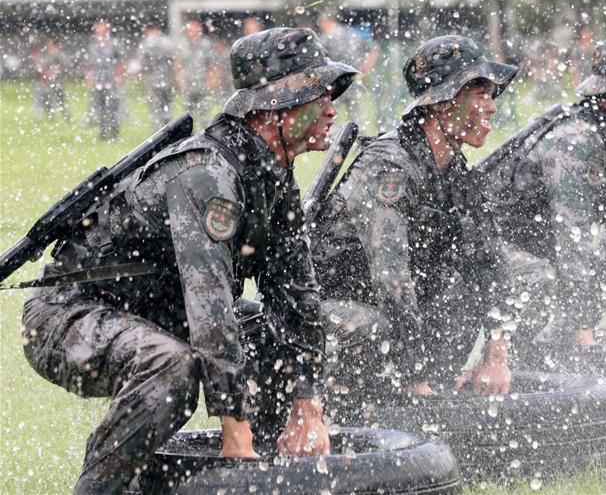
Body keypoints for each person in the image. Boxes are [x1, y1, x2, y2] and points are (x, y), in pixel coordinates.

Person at [21, 27, 358, 494]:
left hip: (156, 314)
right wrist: (233, 431)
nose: (330, 108)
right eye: (315, 96)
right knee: (171, 367)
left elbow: (298, 296)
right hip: (68, 312)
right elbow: (211, 310)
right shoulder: (207, 175)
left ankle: (270, 473)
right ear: (273, 109)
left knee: (266, 331)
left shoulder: (272, 174)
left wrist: (307, 405)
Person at [311, 35, 518, 421]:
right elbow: (392, 277)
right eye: (481, 95)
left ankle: (414, 394)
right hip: (334, 311)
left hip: (394, 311)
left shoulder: (456, 172)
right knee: (379, 328)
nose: (491, 108)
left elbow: (491, 265)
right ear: (443, 102)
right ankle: (355, 410)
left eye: (492, 96)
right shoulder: (388, 167)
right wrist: (415, 373)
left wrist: (496, 353)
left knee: (465, 295)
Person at [482, 29, 606, 354]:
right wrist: (585, 336)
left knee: (603, 264)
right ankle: (514, 361)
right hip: (487, 245)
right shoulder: (577, 140)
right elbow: (572, 236)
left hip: (535, 245)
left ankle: (553, 350)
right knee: (541, 278)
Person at [318, 12, 380, 125]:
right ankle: (357, 138)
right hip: (353, 80)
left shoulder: (327, 38)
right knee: (355, 117)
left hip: (335, 83)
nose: (322, 28)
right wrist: (365, 68)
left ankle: (333, 140)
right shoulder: (352, 33)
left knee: (331, 116)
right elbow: (374, 49)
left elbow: (317, 56)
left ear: (328, 22)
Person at [85, 20, 124, 139]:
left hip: (110, 78)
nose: (99, 30)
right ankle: (102, 131)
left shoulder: (113, 44)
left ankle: (114, 132)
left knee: (112, 107)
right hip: (98, 79)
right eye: (97, 28)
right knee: (100, 108)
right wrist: (90, 79)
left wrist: (119, 77)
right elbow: (89, 65)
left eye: (101, 27)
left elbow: (120, 62)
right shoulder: (92, 46)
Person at [176, 18, 217, 124]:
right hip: (188, 84)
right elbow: (178, 64)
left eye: (194, 28)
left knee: (204, 113)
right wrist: (179, 80)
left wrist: (211, 81)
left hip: (202, 83)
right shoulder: (182, 45)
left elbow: (211, 65)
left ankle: (205, 137)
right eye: (189, 28)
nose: (191, 31)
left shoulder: (205, 45)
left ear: (199, 29)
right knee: (188, 115)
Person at [138, 24, 177, 128]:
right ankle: (169, 132)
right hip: (167, 80)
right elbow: (175, 61)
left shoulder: (146, 43)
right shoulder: (168, 42)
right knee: (167, 108)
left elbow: (142, 62)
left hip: (153, 82)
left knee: (155, 111)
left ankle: (157, 134)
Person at [31, 37, 69, 120]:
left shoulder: (60, 56)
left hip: (57, 82)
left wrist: (50, 73)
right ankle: (45, 117)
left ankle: (66, 116)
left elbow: (62, 68)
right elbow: (41, 68)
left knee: (60, 100)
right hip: (46, 82)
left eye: (50, 44)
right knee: (45, 100)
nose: (49, 46)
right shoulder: (47, 55)